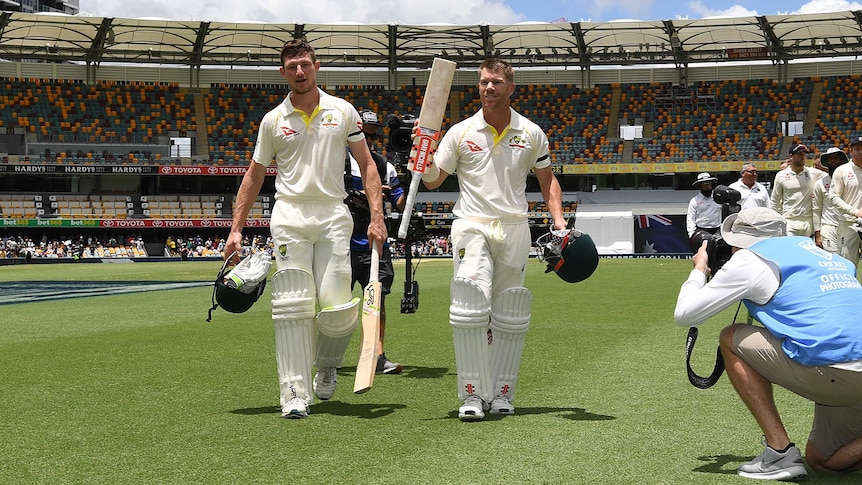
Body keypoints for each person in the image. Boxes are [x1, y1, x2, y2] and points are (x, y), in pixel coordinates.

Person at [223, 39, 387, 419]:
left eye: (305, 65)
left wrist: (376, 217)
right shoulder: (272, 120)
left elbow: (367, 165)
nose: (299, 71)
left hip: (332, 213)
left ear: (316, 67)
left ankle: (328, 365)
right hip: (290, 215)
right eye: (292, 66)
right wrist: (236, 229)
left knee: (337, 305)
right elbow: (254, 174)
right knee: (292, 305)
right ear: (283, 72)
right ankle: (294, 392)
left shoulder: (343, 111)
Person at [421, 58, 566, 421]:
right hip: (471, 223)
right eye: (484, 82)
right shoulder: (460, 132)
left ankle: (501, 393)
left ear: (510, 87)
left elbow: (547, 180)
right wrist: (422, 160)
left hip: (515, 226)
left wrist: (560, 222)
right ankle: (470, 394)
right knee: (470, 305)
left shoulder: (531, 132)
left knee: (507, 313)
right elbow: (434, 180)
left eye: (496, 82)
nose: (488, 88)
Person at [674, 207, 862, 481]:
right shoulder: (828, 257)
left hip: (836, 371)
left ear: (739, 240)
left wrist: (700, 270)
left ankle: (780, 451)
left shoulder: (749, 260)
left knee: (731, 337)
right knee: (824, 461)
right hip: (849, 368)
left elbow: (685, 314)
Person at [347, 109, 405, 374]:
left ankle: (377, 355)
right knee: (335, 302)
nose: (368, 142)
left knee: (377, 301)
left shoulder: (384, 165)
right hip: (342, 242)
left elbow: (400, 200)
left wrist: (414, 177)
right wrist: (365, 193)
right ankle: (330, 356)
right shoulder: (336, 162)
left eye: (372, 137)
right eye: (364, 136)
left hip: (375, 243)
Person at [770, 143, 825, 237]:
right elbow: (775, 201)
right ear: (791, 156)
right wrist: (777, 221)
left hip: (808, 220)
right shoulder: (781, 175)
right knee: (790, 250)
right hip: (789, 220)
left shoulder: (813, 173)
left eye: (804, 154)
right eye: (800, 154)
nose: (803, 157)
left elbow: (832, 177)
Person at [825, 136, 862, 267]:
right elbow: (834, 197)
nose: (861, 152)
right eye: (857, 149)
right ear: (850, 150)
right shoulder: (842, 171)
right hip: (848, 223)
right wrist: (855, 212)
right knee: (848, 263)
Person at [812, 146, 851, 257]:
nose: (833, 161)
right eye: (830, 159)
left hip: (846, 225)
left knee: (848, 260)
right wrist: (818, 235)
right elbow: (816, 210)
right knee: (831, 261)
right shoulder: (820, 184)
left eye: (836, 158)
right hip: (828, 227)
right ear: (826, 162)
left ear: (841, 160)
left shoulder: (850, 180)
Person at [686, 172, 722, 251]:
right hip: (701, 231)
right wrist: (692, 235)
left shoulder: (719, 198)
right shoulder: (694, 200)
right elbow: (690, 218)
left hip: (718, 231)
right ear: (700, 186)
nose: (707, 186)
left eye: (708, 184)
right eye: (704, 184)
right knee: (703, 256)